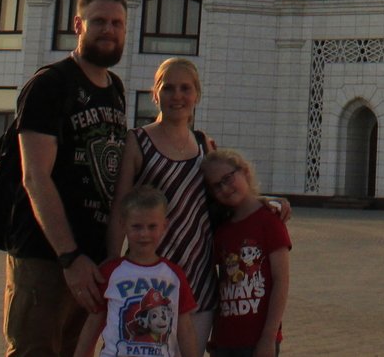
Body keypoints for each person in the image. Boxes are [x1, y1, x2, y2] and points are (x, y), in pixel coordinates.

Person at [5, 0, 131, 357]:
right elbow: (35, 177)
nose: (109, 30)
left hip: (91, 260)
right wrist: (69, 257)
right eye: (99, 22)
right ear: (78, 25)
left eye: (117, 23)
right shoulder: (51, 85)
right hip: (47, 256)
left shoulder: (116, 89)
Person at [107, 58, 218, 349]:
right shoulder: (137, 141)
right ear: (154, 94)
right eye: (168, 88)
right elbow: (120, 208)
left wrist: (268, 205)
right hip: (147, 280)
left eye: (185, 88)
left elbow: (230, 194)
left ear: (197, 94)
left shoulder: (204, 144)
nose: (177, 96)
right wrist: (112, 265)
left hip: (198, 279)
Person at [73, 186, 200, 357]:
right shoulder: (110, 272)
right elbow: (93, 323)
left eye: (152, 226)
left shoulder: (174, 274)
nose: (144, 234)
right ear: (123, 225)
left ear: (164, 226)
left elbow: (185, 327)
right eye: (137, 227)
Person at [204, 148, 290, 357]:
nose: (225, 188)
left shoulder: (269, 221)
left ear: (244, 171)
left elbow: (281, 281)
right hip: (226, 340)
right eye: (217, 185)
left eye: (228, 178)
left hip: (258, 339)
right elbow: (221, 285)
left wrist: (269, 337)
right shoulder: (222, 230)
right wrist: (215, 336)